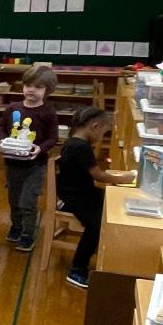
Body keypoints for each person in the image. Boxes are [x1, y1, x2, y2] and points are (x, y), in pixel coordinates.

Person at [57, 107, 136, 288]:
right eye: (103, 132)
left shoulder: (75, 142)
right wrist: (123, 178)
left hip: (80, 192)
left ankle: (106, 254)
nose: (102, 137)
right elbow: (98, 176)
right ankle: (78, 268)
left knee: (111, 206)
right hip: (75, 197)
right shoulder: (81, 147)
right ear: (95, 126)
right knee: (97, 224)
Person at [0, 65, 59, 253]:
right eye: (28, 85)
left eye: (38, 87)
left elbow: (53, 138)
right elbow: (1, 127)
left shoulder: (48, 112)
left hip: (35, 165)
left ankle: (28, 233)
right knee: (14, 199)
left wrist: (40, 149)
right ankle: (16, 226)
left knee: (28, 201)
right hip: (12, 163)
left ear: (47, 90)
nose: (31, 90)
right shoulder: (12, 108)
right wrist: (1, 143)